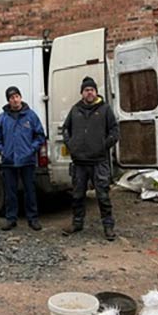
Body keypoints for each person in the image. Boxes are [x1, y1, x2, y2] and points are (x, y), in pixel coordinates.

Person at [61, 76, 119, 240]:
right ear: (82, 93)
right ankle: (77, 223)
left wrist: (103, 145)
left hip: (99, 161)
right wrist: (71, 144)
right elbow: (66, 129)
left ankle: (108, 226)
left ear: (96, 92)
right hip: (79, 163)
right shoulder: (75, 110)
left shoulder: (105, 109)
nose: (89, 93)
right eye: (86, 90)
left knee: (103, 196)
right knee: (78, 195)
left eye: (92, 90)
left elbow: (115, 131)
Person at [0, 86, 45, 231]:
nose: (15, 100)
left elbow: (40, 136)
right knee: (10, 192)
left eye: (17, 96)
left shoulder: (31, 116)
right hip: (9, 161)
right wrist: (3, 151)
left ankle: (33, 219)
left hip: (27, 161)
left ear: (20, 97)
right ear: (8, 100)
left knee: (30, 191)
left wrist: (31, 149)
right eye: (11, 97)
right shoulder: (2, 118)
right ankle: (11, 219)